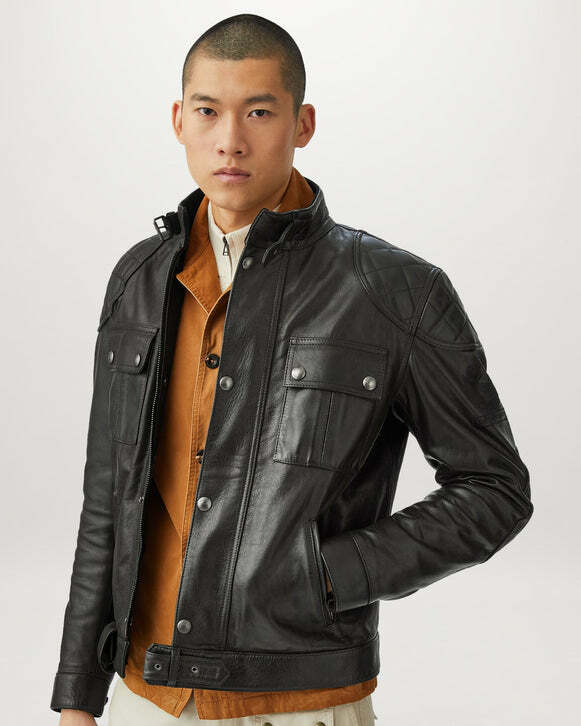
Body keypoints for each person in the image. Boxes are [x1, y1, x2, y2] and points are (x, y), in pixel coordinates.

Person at [50, 13, 533, 726]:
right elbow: (106, 502)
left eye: (259, 112)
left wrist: (326, 576)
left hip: (303, 700)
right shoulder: (138, 280)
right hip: (144, 694)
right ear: (178, 120)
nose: (230, 140)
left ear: (302, 124)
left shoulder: (395, 292)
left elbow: (495, 490)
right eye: (208, 112)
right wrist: (77, 696)